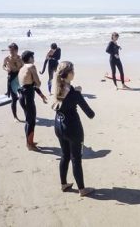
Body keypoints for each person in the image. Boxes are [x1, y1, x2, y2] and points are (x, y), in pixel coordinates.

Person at [52, 61, 95, 197]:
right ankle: (82, 189)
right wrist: (78, 95)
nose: (74, 73)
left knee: (64, 155)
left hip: (58, 125)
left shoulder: (55, 87)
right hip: (73, 129)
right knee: (76, 159)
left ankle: (64, 184)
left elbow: (65, 92)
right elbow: (90, 114)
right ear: (69, 74)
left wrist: (76, 91)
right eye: (73, 71)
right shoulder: (74, 94)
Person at [17, 50, 47, 151]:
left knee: (28, 120)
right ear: (30, 58)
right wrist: (37, 83)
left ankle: (29, 142)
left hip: (22, 97)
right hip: (28, 98)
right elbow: (37, 83)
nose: (34, 59)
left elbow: (28, 85)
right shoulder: (31, 67)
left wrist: (41, 95)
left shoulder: (22, 68)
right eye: (33, 57)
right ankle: (30, 145)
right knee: (31, 121)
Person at [2, 43, 23, 122]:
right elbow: (3, 66)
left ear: (17, 50)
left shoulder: (21, 58)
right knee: (14, 99)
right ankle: (15, 117)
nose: (11, 52)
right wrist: (6, 69)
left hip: (20, 78)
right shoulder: (7, 58)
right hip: (12, 79)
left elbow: (25, 67)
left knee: (22, 97)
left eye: (13, 50)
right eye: (10, 50)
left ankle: (26, 112)